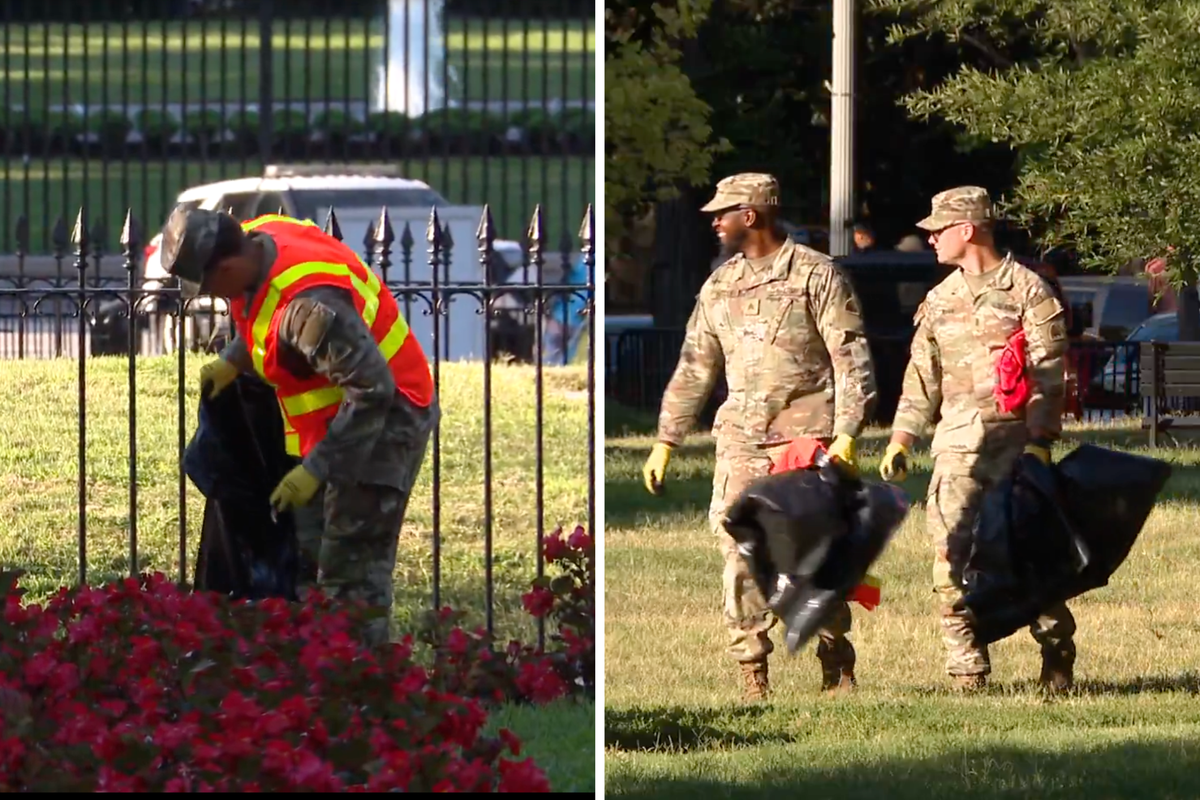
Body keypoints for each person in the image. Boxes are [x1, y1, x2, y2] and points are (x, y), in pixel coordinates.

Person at [641, 173, 878, 701]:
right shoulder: (720, 285)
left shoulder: (817, 276)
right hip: (741, 444)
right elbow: (695, 367)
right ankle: (753, 673)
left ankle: (835, 651)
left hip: (806, 440)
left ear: (750, 216)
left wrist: (846, 434)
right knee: (741, 555)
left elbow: (850, 358)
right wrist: (667, 439)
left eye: (721, 212)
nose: (713, 221)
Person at [159, 207, 439, 649]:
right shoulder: (259, 236)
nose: (211, 297)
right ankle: (316, 680)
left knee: (350, 575)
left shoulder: (311, 308)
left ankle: (365, 692)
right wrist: (233, 361)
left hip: (386, 423)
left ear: (228, 266)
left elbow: (373, 392)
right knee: (308, 562)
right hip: (331, 423)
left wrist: (315, 471)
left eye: (209, 286)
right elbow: (264, 315)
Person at [877, 186, 1076, 692]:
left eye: (938, 231)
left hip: (1017, 449)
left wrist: (1040, 440)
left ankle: (1056, 652)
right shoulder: (939, 300)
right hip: (957, 451)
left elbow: (1050, 373)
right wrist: (902, 439)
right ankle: (967, 671)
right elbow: (922, 379)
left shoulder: (1029, 290)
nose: (931, 241)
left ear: (967, 230)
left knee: (1029, 555)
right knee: (950, 557)